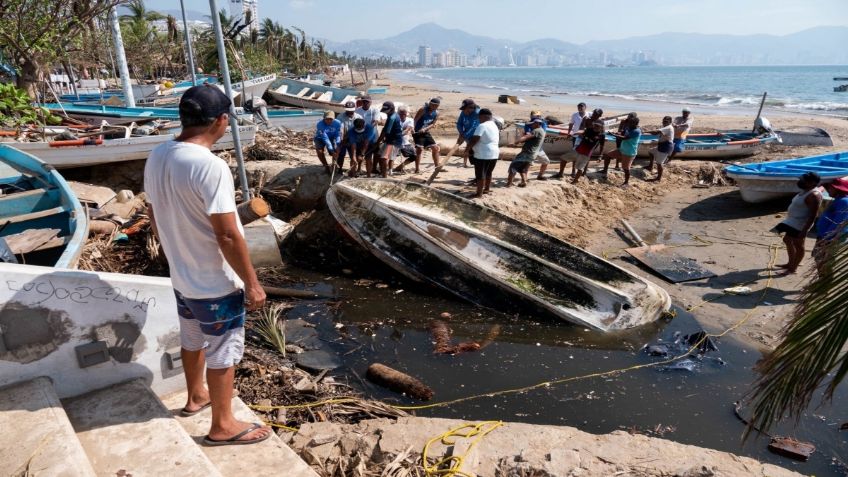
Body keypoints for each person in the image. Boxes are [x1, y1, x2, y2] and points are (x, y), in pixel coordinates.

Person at [143, 84, 271, 446]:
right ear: (221, 121)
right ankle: (222, 425)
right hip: (215, 282)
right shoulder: (210, 166)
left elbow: (153, 212)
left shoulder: (158, 155)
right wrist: (253, 283)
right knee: (224, 349)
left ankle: (195, 395)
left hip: (183, 278)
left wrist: (175, 251)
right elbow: (228, 236)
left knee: (192, 338)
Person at [772, 172, 822, 275]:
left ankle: (792, 269)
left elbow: (813, 215)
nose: (800, 182)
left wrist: (804, 230)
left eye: (804, 181)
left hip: (800, 224)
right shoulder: (805, 190)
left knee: (798, 245)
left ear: (812, 183)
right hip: (792, 221)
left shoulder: (813, 195)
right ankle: (790, 263)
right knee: (787, 240)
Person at [813, 177, 848, 272]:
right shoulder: (838, 200)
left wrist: (827, 239)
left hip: (830, 238)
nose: (827, 190)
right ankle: (821, 282)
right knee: (819, 259)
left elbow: (839, 223)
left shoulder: (843, 202)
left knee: (825, 261)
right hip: (824, 236)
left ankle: (824, 284)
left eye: (829, 188)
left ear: (837, 189)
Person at [463, 108, 499, 198]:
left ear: (483, 116)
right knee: (488, 172)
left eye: (479, 117)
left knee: (480, 174)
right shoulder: (495, 126)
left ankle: (479, 193)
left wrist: (467, 149)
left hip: (483, 154)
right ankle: (486, 189)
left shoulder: (482, 126)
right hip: (494, 153)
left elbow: (475, 139)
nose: (479, 119)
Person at [507, 118, 545, 188]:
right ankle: (524, 181)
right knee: (523, 169)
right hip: (533, 154)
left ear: (537, 124)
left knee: (513, 166)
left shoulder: (536, 130)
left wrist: (514, 142)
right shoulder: (542, 131)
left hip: (527, 152)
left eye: (533, 124)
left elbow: (526, 137)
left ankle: (509, 184)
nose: (532, 126)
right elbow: (531, 141)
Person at [604, 115, 641, 187]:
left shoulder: (636, 131)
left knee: (626, 168)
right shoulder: (629, 128)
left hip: (629, 152)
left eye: (631, 123)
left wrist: (613, 135)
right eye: (629, 122)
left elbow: (624, 138)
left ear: (636, 124)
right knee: (607, 156)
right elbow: (622, 133)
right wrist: (616, 133)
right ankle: (604, 171)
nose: (629, 124)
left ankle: (626, 183)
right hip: (622, 149)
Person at [569, 120, 606, 184]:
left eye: (597, 126)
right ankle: (571, 174)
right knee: (570, 160)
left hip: (587, 153)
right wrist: (574, 133)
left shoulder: (601, 135)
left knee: (580, 168)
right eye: (595, 125)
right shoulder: (589, 129)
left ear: (601, 127)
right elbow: (583, 132)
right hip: (579, 149)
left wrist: (600, 156)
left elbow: (602, 146)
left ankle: (575, 180)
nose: (595, 127)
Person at [376, 101, 404, 177]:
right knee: (378, 155)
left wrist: (378, 142)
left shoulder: (392, 118)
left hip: (393, 141)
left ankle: (384, 176)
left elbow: (385, 131)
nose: (386, 113)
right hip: (389, 140)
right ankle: (382, 173)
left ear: (392, 109)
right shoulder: (392, 115)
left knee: (384, 158)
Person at [413, 97, 442, 171]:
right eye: (432, 105)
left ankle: (437, 167)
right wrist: (412, 129)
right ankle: (417, 169)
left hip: (426, 132)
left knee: (435, 148)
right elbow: (415, 120)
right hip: (418, 132)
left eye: (436, 106)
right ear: (430, 104)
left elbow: (433, 124)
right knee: (419, 149)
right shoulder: (423, 110)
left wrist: (425, 129)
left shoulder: (437, 113)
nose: (434, 107)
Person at [645, 116, 674, 181]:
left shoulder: (668, 127)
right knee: (650, 151)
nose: (664, 122)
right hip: (661, 145)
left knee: (659, 163)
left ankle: (658, 178)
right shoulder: (666, 127)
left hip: (665, 146)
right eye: (663, 121)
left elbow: (655, 132)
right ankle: (650, 166)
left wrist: (645, 132)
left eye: (666, 121)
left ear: (670, 122)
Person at [525, 111, 551, 180]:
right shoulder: (528, 124)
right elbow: (528, 134)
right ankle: (525, 178)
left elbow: (543, 132)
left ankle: (540, 175)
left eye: (539, 116)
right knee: (528, 164)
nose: (539, 117)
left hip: (539, 148)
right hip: (531, 148)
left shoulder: (542, 123)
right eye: (537, 116)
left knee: (546, 161)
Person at [337, 101, 362, 170]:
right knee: (341, 155)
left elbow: (360, 129)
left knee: (353, 155)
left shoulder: (359, 117)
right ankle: (339, 169)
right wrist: (341, 140)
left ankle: (353, 171)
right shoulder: (340, 116)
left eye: (351, 111)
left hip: (354, 140)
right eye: (348, 110)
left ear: (354, 109)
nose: (349, 112)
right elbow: (339, 129)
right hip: (343, 139)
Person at [455, 98, 480, 168]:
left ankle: (477, 164)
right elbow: (459, 124)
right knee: (467, 149)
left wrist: (464, 136)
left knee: (475, 150)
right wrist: (461, 133)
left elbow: (473, 126)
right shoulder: (463, 112)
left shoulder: (477, 113)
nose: (464, 111)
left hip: (476, 136)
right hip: (466, 134)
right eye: (463, 109)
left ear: (471, 108)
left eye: (466, 109)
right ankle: (465, 164)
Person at [392, 104, 417, 173]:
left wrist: (400, 133)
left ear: (406, 114)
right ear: (398, 113)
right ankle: (390, 170)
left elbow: (407, 129)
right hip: (395, 142)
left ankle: (400, 167)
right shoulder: (395, 120)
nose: (402, 115)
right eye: (401, 114)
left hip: (405, 142)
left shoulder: (410, 120)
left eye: (404, 114)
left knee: (414, 156)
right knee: (393, 157)